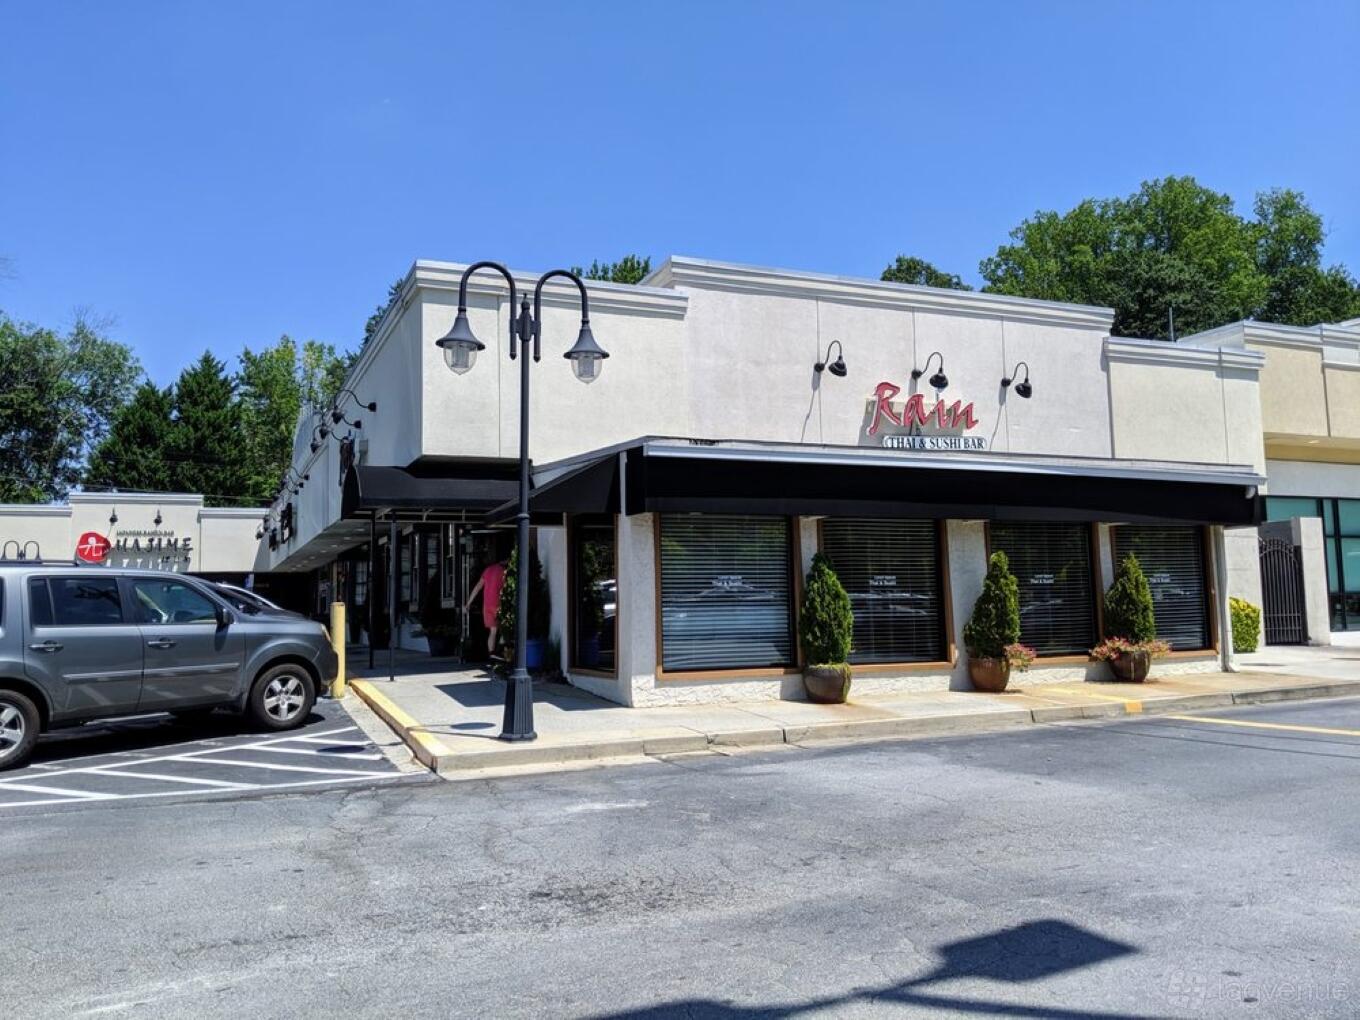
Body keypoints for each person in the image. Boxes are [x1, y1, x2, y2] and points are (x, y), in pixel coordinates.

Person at [464, 556, 508, 657]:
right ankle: (501, 652)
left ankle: (492, 655)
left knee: (493, 631)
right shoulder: (504, 571)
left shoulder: (487, 570)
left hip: (487, 605)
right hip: (499, 604)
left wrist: (469, 603)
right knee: (505, 630)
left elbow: (478, 587)